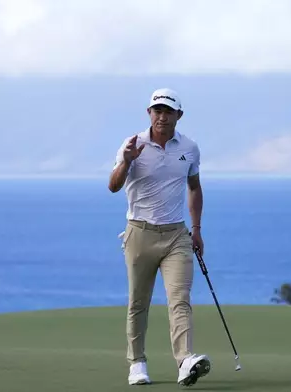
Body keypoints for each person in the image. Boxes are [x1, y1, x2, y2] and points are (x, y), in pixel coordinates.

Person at [108, 88, 211, 387]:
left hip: (176, 235)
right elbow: (113, 186)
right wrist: (126, 161)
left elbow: (194, 187)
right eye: (157, 110)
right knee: (138, 303)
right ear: (149, 113)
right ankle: (137, 363)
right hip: (139, 233)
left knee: (180, 299)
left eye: (168, 111)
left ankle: (185, 361)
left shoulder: (189, 148)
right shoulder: (132, 145)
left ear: (179, 115)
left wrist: (197, 229)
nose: (162, 116)